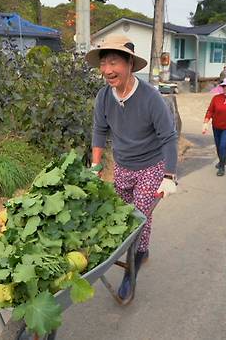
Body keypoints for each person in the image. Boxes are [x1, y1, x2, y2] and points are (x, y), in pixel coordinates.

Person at [87, 34, 178, 300]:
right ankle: (140, 252)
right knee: (122, 216)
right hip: (123, 165)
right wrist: (95, 166)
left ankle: (132, 270)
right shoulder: (104, 97)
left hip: (151, 165)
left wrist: (169, 175)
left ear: (129, 64)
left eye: (113, 62)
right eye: (103, 64)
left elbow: (168, 136)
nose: (107, 70)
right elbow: (99, 130)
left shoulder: (150, 97)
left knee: (138, 219)